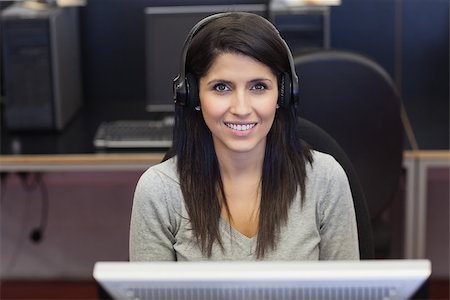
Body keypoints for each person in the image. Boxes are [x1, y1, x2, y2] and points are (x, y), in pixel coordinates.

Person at [129, 12, 359, 261]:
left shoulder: (324, 181)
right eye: (221, 87)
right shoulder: (159, 192)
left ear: (283, 94)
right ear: (192, 95)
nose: (241, 108)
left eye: (259, 86)